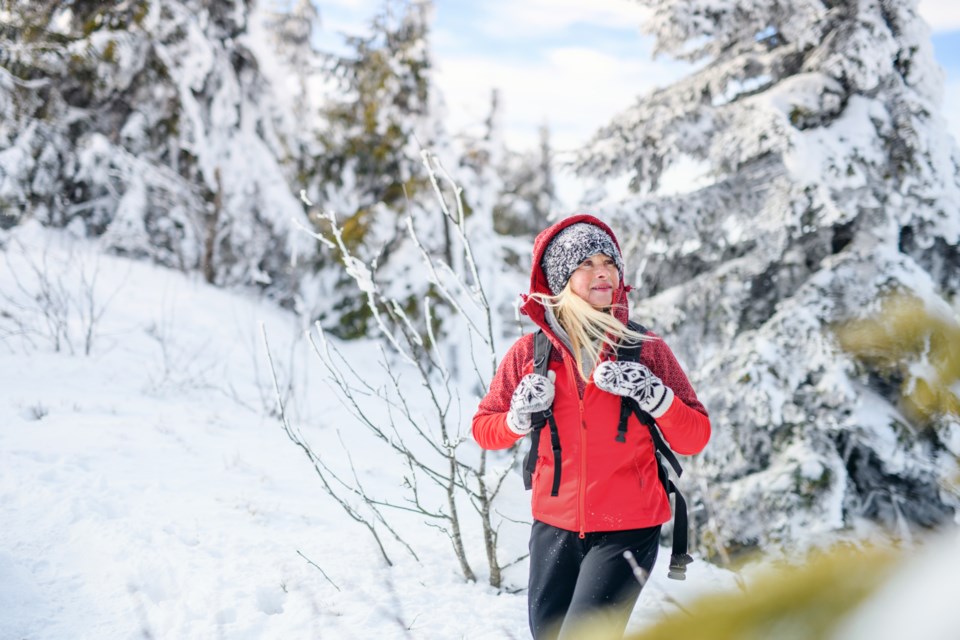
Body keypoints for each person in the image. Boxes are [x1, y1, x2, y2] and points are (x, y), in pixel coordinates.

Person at [471, 215, 711, 639]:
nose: (603, 270)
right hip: (554, 526)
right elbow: (483, 428)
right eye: (586, 262)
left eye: (610, 261)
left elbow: (695, 435)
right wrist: (516, 418)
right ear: (562, 278)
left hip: (627, 529)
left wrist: (656, 396)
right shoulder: (531, 353)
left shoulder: (643, 349)